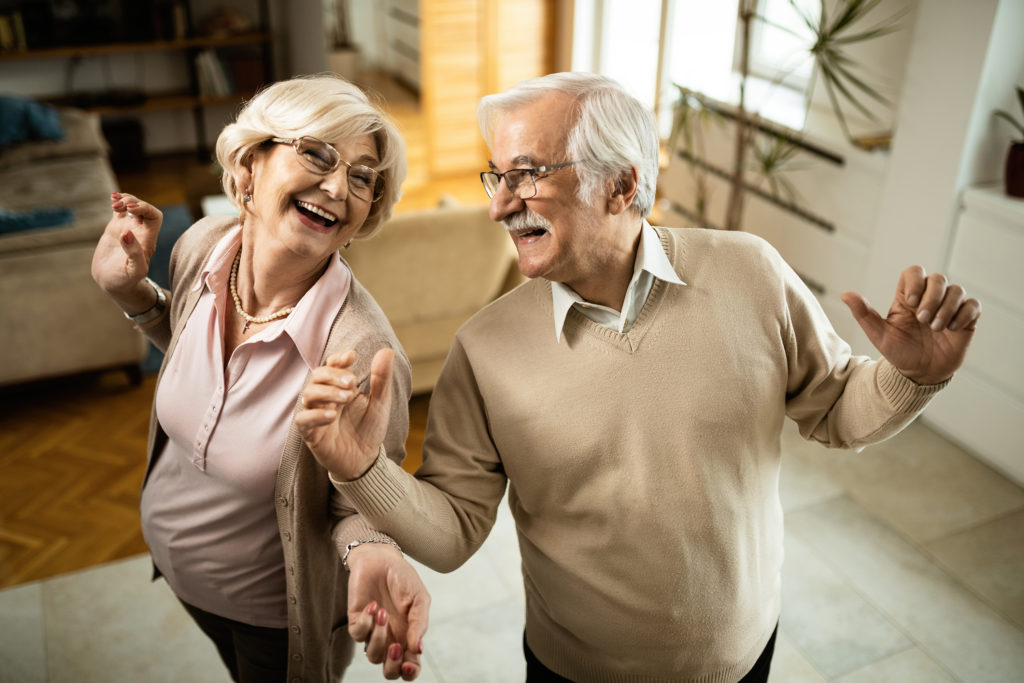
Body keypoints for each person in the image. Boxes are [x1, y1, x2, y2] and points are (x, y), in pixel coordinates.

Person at [295, 72, 982, 682]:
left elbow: (836, 407)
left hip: (744, 656)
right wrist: (362, 471)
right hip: (574, 672)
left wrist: (907, 377)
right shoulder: (483, 351)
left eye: (528, 174)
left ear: (623, 183)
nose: (502, 205)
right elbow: (454, 532)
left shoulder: (753, 273)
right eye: (496, 176)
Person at [91, 74, 430, 683]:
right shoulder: (202, 247)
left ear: (363, 216)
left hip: (272, 617)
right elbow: (203, 365)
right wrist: (134, 294)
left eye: (361, 177)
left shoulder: (361, 351)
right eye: (316, 153)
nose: (336, 186)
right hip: (178, 568)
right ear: (248, 166)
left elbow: (360, 499)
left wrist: (372, 546)